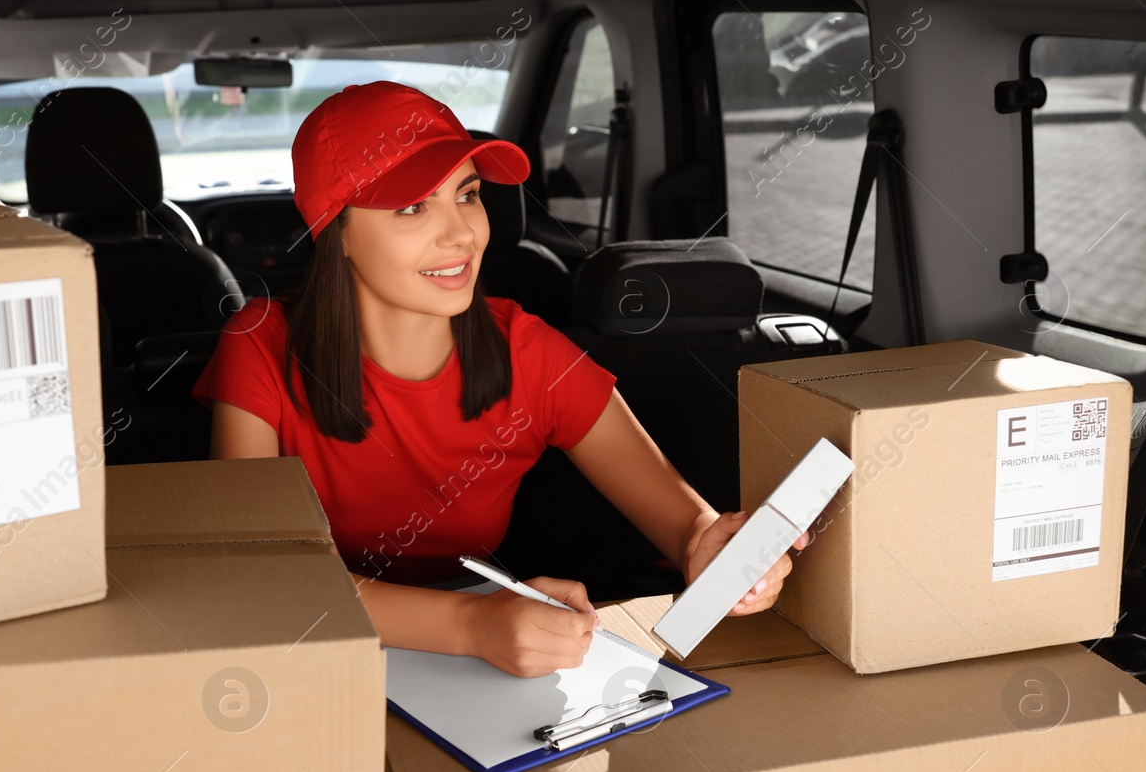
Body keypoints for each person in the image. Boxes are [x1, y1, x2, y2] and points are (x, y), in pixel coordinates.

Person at [190, 81, 805, 678]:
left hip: (480, 661)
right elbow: (262, 576)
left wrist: (716, 551)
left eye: (468, 193)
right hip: (311, 651)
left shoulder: (529, 351)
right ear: (337, 232)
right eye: (411, 207)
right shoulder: (260, 346)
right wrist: (469, 625)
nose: (461, 232)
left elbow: (683, 523)